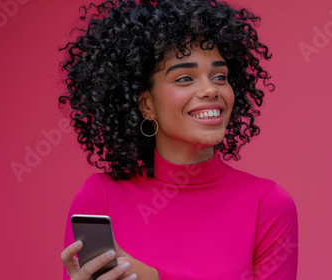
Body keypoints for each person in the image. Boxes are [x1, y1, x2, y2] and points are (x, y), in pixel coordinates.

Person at [58, 0, 298, 279]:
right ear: (146, 104)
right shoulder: (99, 198)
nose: (211, 89)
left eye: (220, 76)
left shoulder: (267, 204)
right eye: (185, 78)